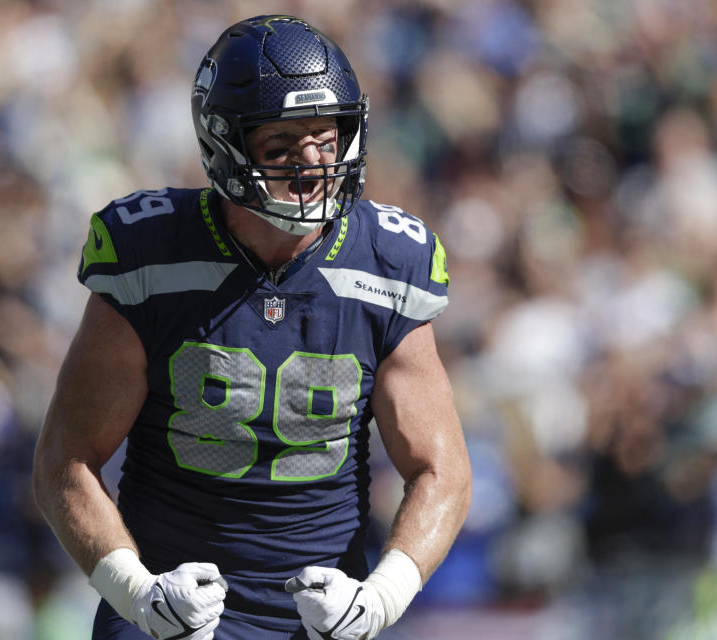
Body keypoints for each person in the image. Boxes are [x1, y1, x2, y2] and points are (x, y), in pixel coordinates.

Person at [32, 14, 472, 640]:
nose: (312, 164)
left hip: (321, 617)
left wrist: (379, 600)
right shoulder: (151, 252)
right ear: (224, 145)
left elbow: (441, 468)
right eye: (283, 146)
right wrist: (138, 592)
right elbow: (64, 460)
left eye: (327, 137)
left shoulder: (387, 261)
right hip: (171, 610)